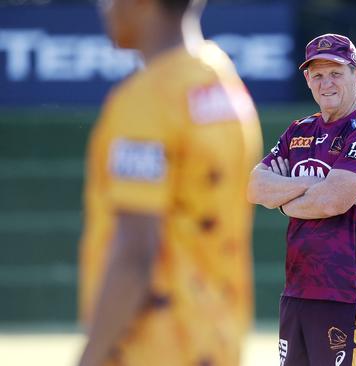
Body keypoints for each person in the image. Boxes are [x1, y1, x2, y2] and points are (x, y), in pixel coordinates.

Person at [78, 0, 262, 364]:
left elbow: (135, 257)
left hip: (153, 347)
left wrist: (91, 357)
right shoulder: (225, 85)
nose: (104, 8)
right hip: (219, 339)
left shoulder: (145, 101)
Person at [247, 33, 356, 366]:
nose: (325, 83)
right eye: (317, 74)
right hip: (298, 291)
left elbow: (333, 201)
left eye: (336, 73)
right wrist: (309, 186)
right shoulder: (299, 131)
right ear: (307, 79)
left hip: (350, 294)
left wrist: (284, 197)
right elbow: (256, 187)